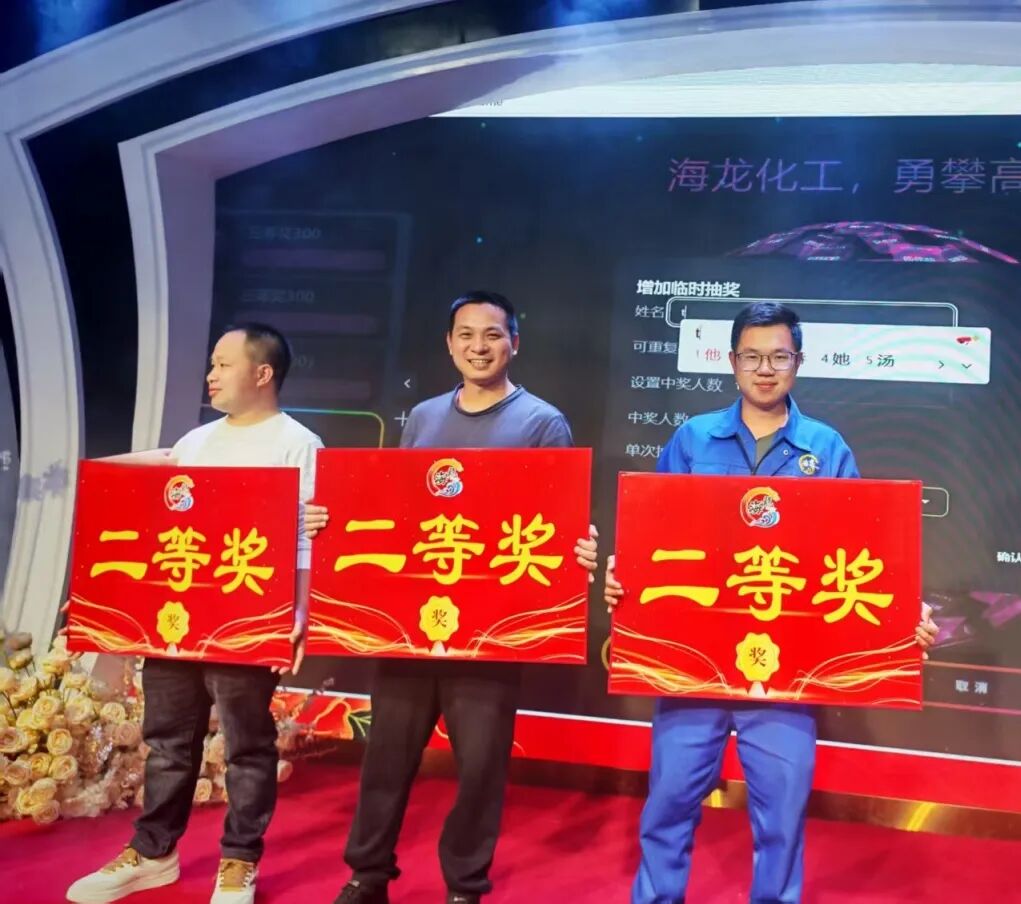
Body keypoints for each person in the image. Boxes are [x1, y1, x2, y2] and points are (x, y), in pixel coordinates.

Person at [604, 301, 938, 904]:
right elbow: (652, 539)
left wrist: (903, 616)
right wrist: (621, 575)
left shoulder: (826, 448)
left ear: (798, 362)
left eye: (778, 357)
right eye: (752, 357)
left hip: (787, 671)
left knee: (781, 817)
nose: (765, 369)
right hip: (694, 664)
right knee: (669, 803)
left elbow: (860, 553)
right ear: (732, 362)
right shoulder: (692, 439)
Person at [306, 291, 598, 904]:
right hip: (411, 625)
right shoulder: (422, 418)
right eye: (466, 335)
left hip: (491, 630)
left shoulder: (542, 423)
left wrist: (580, 543)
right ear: (449, 343)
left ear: (514, 343)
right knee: (386, 757)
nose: (478, 347)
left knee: (481, 768)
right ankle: (367, 876)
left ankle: (465, 886)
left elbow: (554, 520)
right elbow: (397, 509)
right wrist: (333, 521)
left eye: (492, 335)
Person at [67, 323, 323, 904]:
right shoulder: (196, 441)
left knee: (246, 745)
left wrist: (299, 612)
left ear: (263, 373)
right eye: (212, 363)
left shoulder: (297, 443)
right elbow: (153, 524)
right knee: (167, 741)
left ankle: (239, 860)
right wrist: (101, 592)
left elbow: (306, 541)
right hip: (177, 620)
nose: (211, 374)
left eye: (223, 363)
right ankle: (153, 852)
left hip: (247, 621)